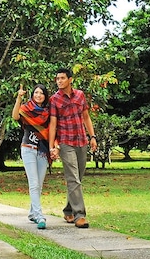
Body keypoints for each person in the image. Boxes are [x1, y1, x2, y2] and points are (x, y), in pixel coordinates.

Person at [47, 67, 97, 228]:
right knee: (73, 179)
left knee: (78, 178)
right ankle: (79, 215)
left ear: (70, 79)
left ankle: (68, 210)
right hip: (65, 142)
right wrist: (51, 147)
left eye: (62, 78)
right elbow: (53, 124)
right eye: (57, 78)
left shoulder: (80, 95)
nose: (59, 81)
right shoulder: (54, 99)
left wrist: (93, 136)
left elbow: (86, 117)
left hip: (81, 140)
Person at [12, 83, 51, 229]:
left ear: (45, 96)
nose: (38, 95)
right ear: (32, 95)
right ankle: (39, 215)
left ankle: (32, 213)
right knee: (34, 184)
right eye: (36, 93)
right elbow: (15, 116)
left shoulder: (47, 112)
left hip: (42, 150)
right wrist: (19, 98)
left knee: (39, 185)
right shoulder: (26, 109)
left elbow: (51, 130)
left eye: (41, 93)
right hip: (28, 148)